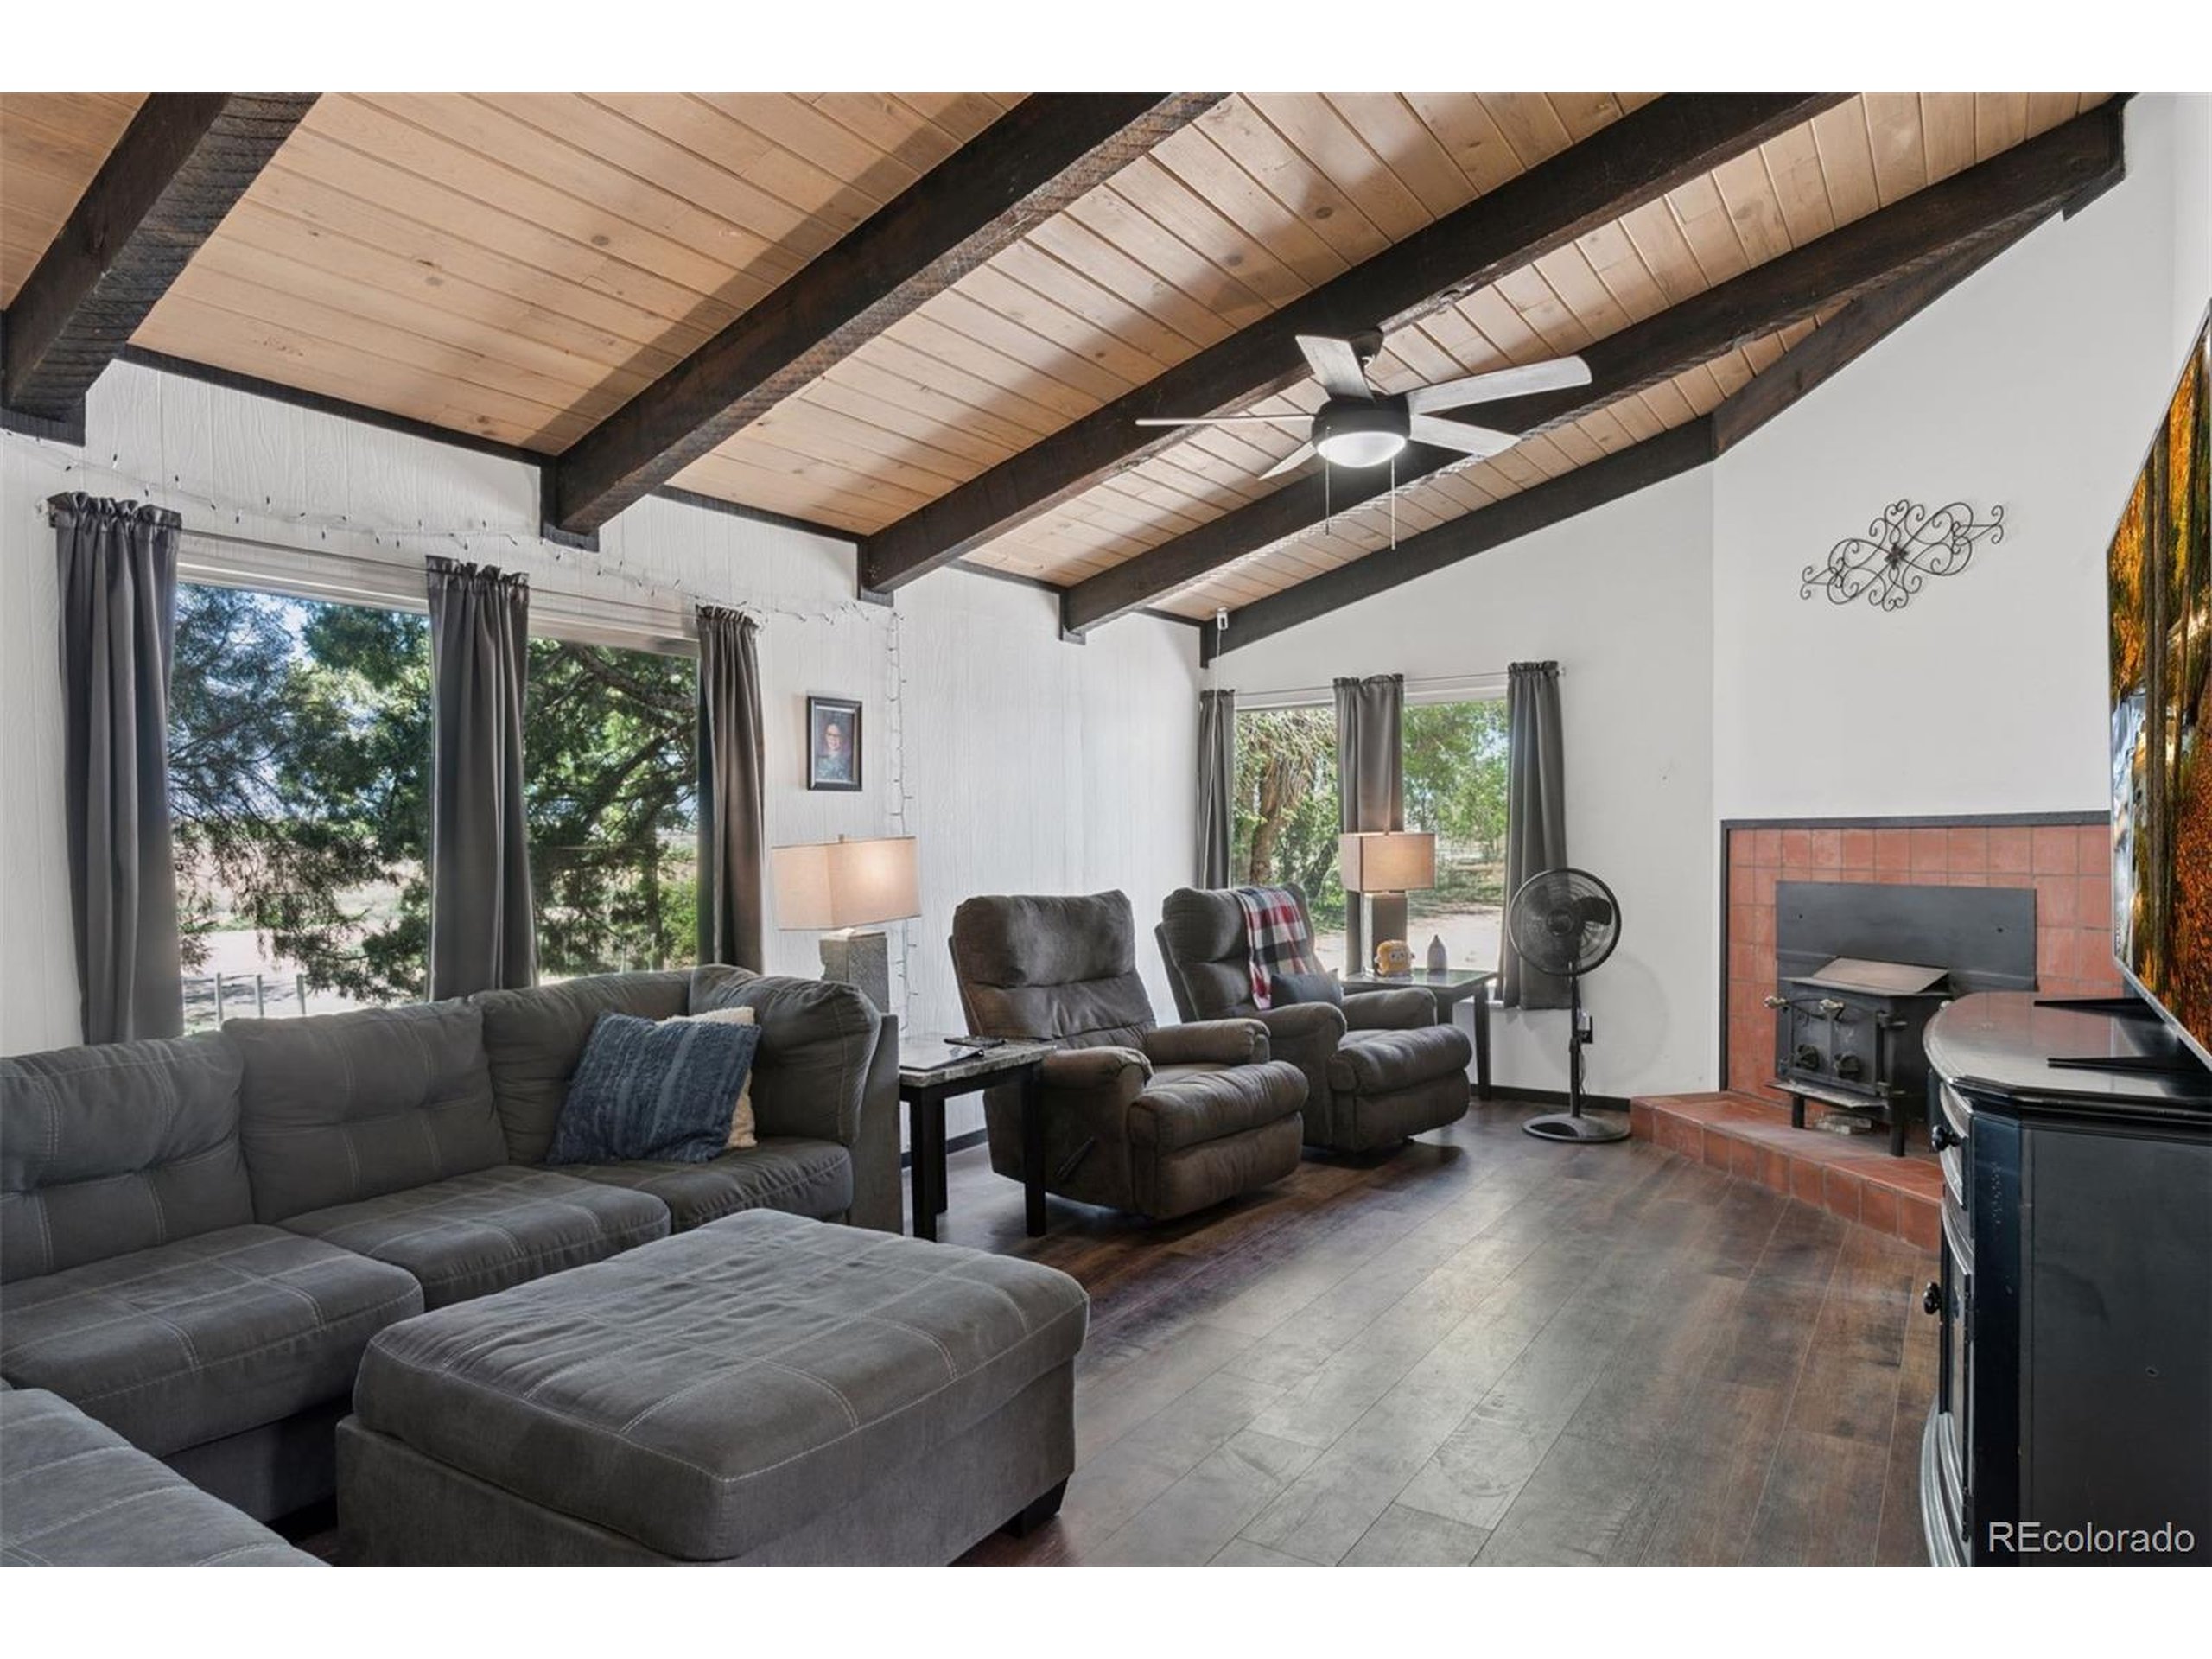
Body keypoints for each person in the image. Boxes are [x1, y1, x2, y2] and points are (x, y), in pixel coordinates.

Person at [816, 715, 855, 784]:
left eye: (837, 735)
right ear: (826, 736)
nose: (833, 739)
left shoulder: (848, 762)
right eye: (830, 734)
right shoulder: (819, 761)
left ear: (842, 737)